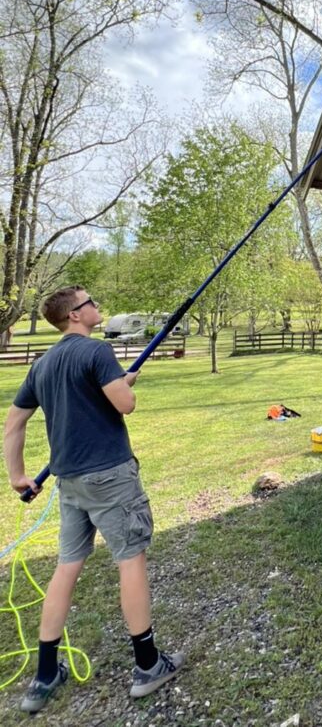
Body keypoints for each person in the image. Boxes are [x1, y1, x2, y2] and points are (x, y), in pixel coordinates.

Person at [2, 286, 184, 713]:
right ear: (74, 316)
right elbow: (126, 404)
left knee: (67, 567)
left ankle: (45, 675)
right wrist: (123, 385)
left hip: (70, 483)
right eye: (89, 303)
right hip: (110, 478)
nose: (96, 306)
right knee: (130, 559)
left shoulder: (43, 364)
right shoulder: (97, 352)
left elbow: (13, 425)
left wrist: (17, 476)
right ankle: (147, 665)